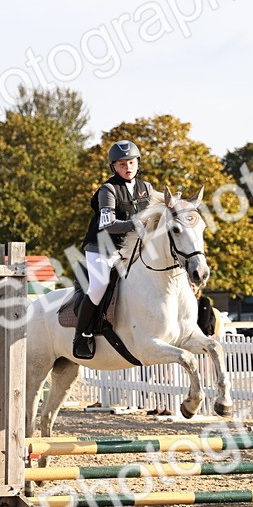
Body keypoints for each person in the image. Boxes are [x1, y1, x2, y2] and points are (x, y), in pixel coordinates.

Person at [73, 140, 157, 359]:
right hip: (101, 248)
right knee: (99, 286)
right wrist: (137, 224)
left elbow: (161, 207)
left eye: (131, 162)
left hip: (129, 250)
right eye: (121, 164)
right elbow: (108, 224)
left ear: (138, 163)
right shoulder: (108, 190)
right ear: (114, 167)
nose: (127, 168)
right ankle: (81, 335)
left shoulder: (146, 188)